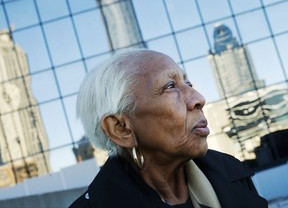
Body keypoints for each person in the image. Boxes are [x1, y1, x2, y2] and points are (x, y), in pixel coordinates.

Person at [69, 49, 267, 208]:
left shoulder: (230, 173)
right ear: (121, 129)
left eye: (188, 82)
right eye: (170, 86)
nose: (198, 98)